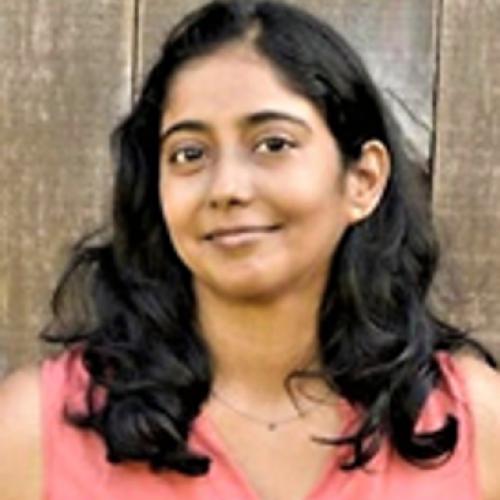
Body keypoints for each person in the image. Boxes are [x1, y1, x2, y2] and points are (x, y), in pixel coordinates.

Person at [1, 1, 499, 499]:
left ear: (363, 180)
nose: (227, 188)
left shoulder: (477, 428)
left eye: (273, 144)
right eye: (189, 154)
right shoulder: (34, 435)